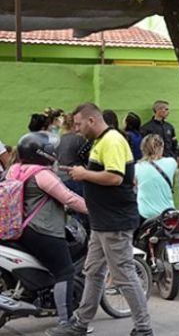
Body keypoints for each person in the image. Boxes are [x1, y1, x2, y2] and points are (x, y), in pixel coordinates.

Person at [49, 102, 152, 336]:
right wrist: (81, 171)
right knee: (93, 272)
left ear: (91, 120)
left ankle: (144, 329)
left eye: (78, 124)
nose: (76, 129)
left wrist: (84, 173)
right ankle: (80, 323)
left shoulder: (112, 141)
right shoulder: (100, 141)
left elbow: (115, 177)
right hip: (102, 221)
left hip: (114, 222)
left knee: (124, 274)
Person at [9, 132, 88, 330]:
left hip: (19, 228)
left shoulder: (14, 169)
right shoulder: (42, 174)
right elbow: (68, 198)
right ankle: (66, 321)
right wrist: (94, 209)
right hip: (42, 229)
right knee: (65, 271)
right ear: (42, 152)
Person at [135, 134, 177, 223]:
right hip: (167, 212)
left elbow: (136, 185)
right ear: (161, 147)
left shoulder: (137, 167)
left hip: (145, 214)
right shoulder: (171, 162)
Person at [55, 114, 87, 196]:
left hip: (60, 177)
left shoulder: (58, 140)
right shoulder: (79, 139)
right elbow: (86, 158)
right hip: (76, 177)